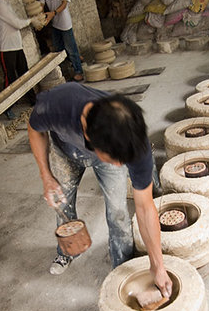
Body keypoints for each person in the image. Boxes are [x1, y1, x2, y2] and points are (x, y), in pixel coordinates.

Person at [27, 83, 172, 298]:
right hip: (65, 148)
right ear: (88, 134)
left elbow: (144, 207)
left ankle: (120, 267)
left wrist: (158, 266)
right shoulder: (57, 105)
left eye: (122, 161)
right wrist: (45, 175)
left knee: (118, 211)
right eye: (115, 161)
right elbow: (34, 128)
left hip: (104, 147)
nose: (118, 165)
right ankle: (65, 252)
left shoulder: (133, 142)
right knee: (61, 201)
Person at [0, 0, 38, 119]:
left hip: (16, 45)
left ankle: (33, 100)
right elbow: (17, 24)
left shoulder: (5, 3)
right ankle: (6, 107)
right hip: (6, 48)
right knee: (10, 79)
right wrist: (31, 20)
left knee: (24, 74)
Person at [36, 0, 84, 82]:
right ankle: (66, 71)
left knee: (71, 48)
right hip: (54, 24)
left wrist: (53, 13)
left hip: (64, 22)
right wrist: (40, 19)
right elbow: (40, 7)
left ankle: (79, 71)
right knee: (58, 50)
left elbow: (64, 4)